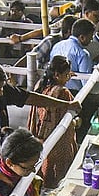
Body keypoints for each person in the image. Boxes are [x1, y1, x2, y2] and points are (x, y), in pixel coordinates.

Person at [0, 59, 80, 184]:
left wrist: (66, 104)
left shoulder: (1, 91)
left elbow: (30, 98)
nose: (1, 92)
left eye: (2, 87)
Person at [27, 56, 78, 188]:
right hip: (60, 139)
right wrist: (76, 121)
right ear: (56, 75)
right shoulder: (63, 93)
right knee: (60, 169)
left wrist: (65, 76)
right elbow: (74, 108)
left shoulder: (41, 86)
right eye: (66, 75)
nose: (68, 78)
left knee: (45, 165)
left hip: (42, 136)